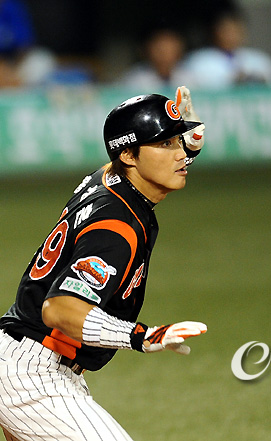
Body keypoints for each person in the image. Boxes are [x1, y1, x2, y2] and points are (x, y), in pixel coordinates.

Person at [0, 86, 207, 441]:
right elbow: (60, 309)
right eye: (165, 144)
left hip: (26, 358)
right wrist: (142, 336)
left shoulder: (108, 177)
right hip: (32, 375)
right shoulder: (116, 227)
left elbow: (151, 158)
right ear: (128, 155)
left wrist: (189, 142)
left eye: (177, 142)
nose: (180, 155)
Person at [183, 9, 271, 89]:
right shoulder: (198, 60)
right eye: (226, 30)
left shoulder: (259, 59)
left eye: (235, 30)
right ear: (215, 32)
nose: (231, 35)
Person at [120, 27, 195, 92]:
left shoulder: (189, 78)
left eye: (169, 49)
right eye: (159, 49)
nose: (164, 54)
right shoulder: (135, 79)